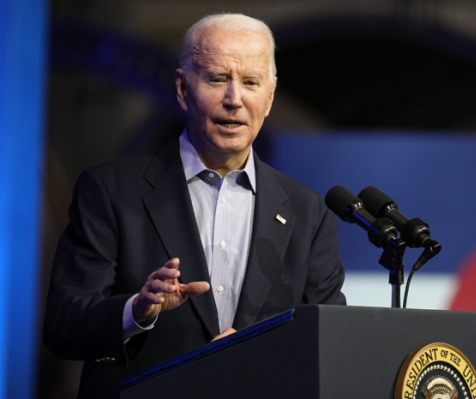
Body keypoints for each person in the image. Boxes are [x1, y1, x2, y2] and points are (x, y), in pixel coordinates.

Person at [44, 13, 345, 399]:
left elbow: (325, 338)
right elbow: (64, 325)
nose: (234, 99)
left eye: (251, 82)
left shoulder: (308, 212)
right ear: (183, 89)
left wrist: (268, 351)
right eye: (217, 79)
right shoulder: (110, 190)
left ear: (269, 98)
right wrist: (136, 311)